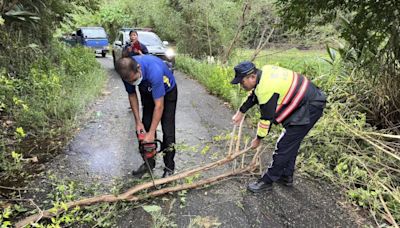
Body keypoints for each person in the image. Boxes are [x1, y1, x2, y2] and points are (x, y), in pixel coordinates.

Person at [231, 61, 326, 193]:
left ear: (252, 77)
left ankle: (267, 181)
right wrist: (241, 112)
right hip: (307, 100)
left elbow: (266, 119)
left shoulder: (266, 88)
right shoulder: (264, 72)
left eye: (242, 82)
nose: (242, 86)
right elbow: (254, 96)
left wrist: (258, 139)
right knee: (291, 142)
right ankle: (286, 176)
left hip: (310, 106)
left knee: (284, 145)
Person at [115, 55, 178, 178]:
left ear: (138, 68)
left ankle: (169, 168)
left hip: (168, 92)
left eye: (135, 79)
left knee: (168, 130)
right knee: (145, 126)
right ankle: (149, 164)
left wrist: (152, 133)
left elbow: (159, 106)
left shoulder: (154, 71)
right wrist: (138, 122)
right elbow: (132, 95)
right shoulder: (126, 72)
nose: (133, 83)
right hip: (146, 91)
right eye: (130, 81)